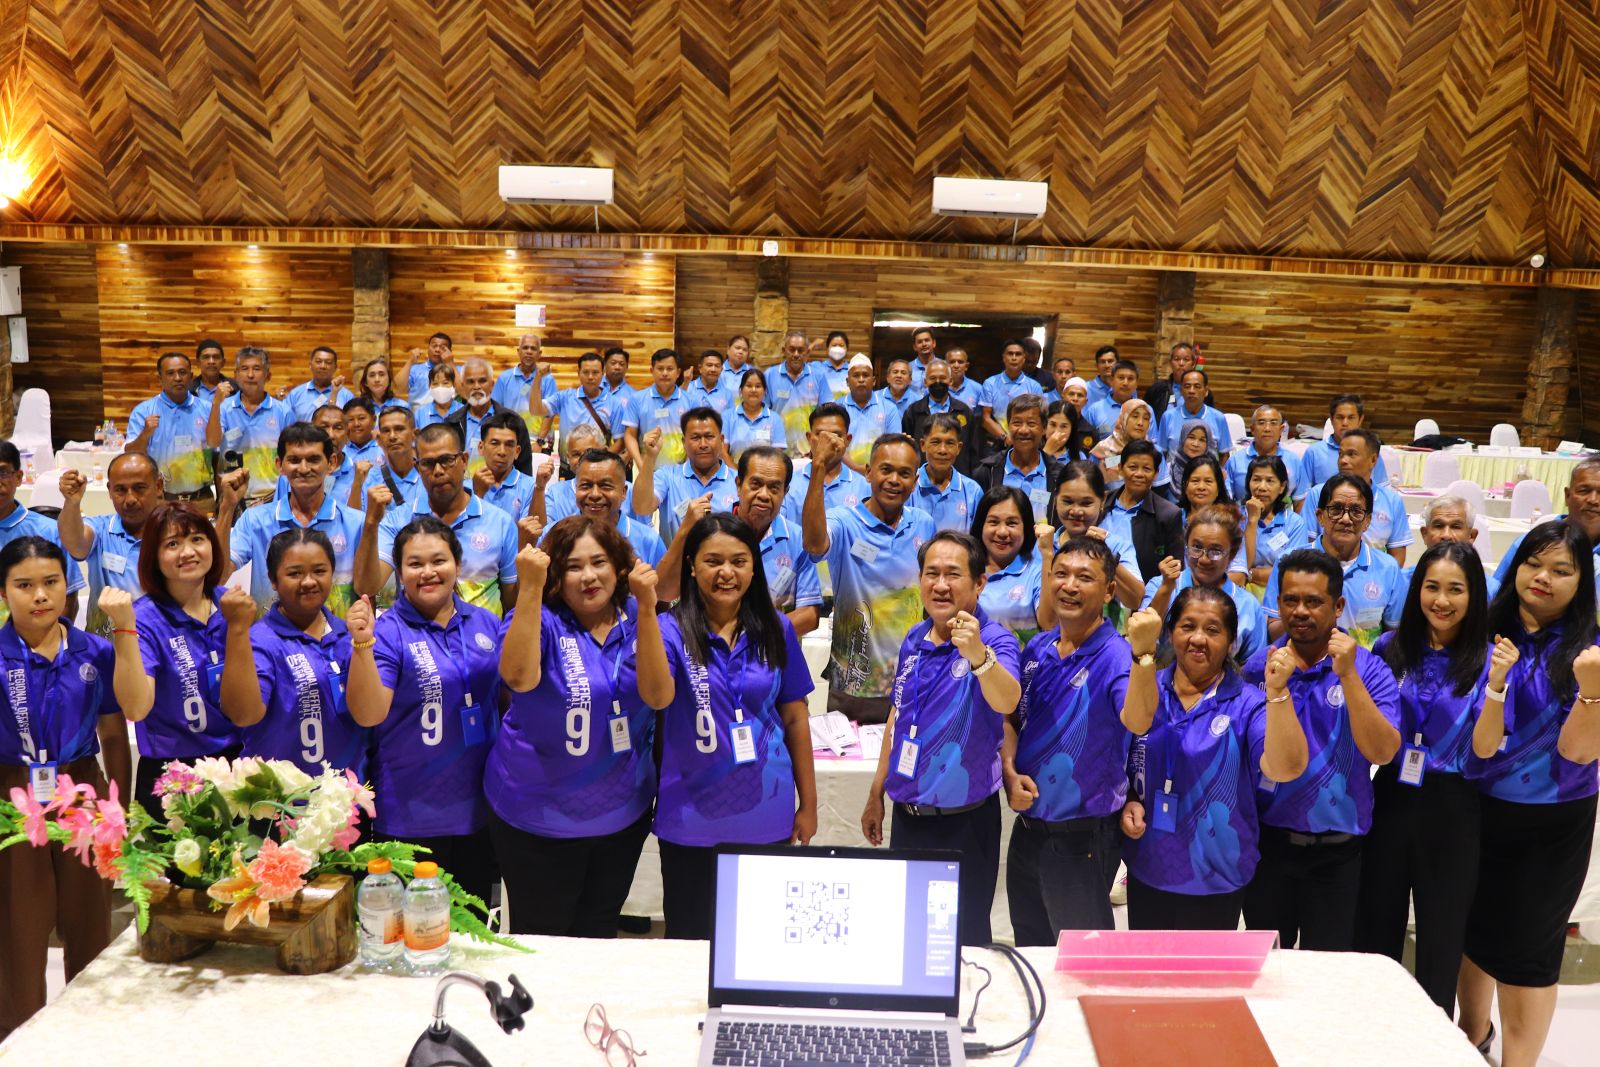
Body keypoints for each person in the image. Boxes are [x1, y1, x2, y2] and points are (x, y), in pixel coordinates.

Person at [1458, 520, 1600, 1067]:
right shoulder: (1483, 634)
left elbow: (1579, 754)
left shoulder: (1589, 651)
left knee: (1531, 952)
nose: (1543, 578)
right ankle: (1472, 1036)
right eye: (1532, 564)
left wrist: (1590, 694)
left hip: (1552, 822)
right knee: (1475, 931)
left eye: (1561, 570)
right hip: (1477, 809)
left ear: (1581, 579)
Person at [487, 519, 673, 937]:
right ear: (555, 573)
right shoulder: (538, 616)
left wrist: (648, 607)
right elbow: (517, 677)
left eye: (599, 562)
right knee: (543, 941)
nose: (589, 577)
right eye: (573, 566)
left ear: (620, 567)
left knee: (598, 937)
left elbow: (660, 697)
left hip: (620, 819)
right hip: (537, 820)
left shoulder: (636, 613)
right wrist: (530, 587)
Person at [654, 514, 817, 938]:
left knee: (760, 943)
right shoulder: (669, 631)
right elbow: (656, 698)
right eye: (713, 561)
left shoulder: (778, 629)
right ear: (692, 566)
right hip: (690, 819)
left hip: (768, 814)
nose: (726, 573)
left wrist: (809, 803)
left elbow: (796, 716)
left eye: (739, 561)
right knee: (689, 948)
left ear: (753, 567)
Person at [861, 531, 1022, 946]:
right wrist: (877, 790)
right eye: (931, 573)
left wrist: (978, 656)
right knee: (909, 937)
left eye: (953, 574)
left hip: (965, 823)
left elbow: (1007, 700)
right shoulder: (915, 638)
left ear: (979, 582)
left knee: (964, 945)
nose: (940, 584)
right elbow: (898, 716)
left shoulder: (996, 640)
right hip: (908, 818)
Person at [1355, 542, 1495, 1014]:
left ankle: (1430, 1041)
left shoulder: (1489, 659)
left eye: (1456, 589)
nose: (1442, 600)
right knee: (1375, 928)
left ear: (1474, 595)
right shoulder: (1390, 648)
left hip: (1453, 806)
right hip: (1392, 796)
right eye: (1432, 586)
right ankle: (1373, 1028)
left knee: (1441, 934)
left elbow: (1486, 744)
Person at [0, 536, 129, 1042]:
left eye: (51, 582)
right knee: (19, 925)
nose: (39, 596)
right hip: (12, 791)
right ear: (4, 591)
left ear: (67, 587)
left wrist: (119, 804)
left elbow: (115, 733)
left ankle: (89, 1036)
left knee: (90, 918)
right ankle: (19, 1038)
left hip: (82, 788)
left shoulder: (94, 650)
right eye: (24, 585)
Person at [1119, 589, 1309, 929]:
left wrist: (1279, 693)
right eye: (1187, 626)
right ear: (1170, 631)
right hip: (1149, 864)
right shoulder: (1148, 687)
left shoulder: (1247, 703)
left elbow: (1284, 768)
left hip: (1216, 873)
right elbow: (1125, 749)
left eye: (1212, 630)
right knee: (1150, 978)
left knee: (1205, 981)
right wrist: (1130, 798)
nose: (1198, 639)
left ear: (1232, 642)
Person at [1243, 549, 1402, 950]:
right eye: (1290, 600)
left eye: (1313, 601)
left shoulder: (1368, 669)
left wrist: (1347, 676)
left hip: (1338, 853)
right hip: (1269, 847)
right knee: (1269, 971)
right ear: (1277, 602)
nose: (1300, 611)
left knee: (1326, 980)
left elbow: (1383, 752)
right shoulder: (1259, 669)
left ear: (1338, 606)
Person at [346, 517, 504, 905]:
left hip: (481, 810)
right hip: (409, 812)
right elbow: (368, 714)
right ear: (399, 572)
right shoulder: (388, 631)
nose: (429, 572)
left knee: (477, 932)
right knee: (413, 934)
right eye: (415, 564)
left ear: (457, 564)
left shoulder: (484, 622)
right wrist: (362, 644)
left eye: (439, 560)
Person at [1004, 537, 1132, 940]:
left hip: (1082, 836)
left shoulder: (1117, 655)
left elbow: (1139, 720)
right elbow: (1009, 719)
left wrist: (1145, 657)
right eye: (1060, 574)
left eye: (1084, 577)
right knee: (1030, 943)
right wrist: (1008, 771)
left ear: (1110, 590)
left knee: (1084, 960)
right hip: (1027, 829)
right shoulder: (1038, 648)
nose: (1069, 585)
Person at [100, 503, 240, 816]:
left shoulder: (231, 606)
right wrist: (125, 628)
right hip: (171, 775)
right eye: (172, 544)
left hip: (235, 767)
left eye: (197, 539)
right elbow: (136, 708)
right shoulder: (145, 618)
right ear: (153, 557)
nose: (187, 552)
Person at [802, 432, 936, 724]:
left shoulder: (924, 524)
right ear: (868, 472)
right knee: (848, 769)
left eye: (904, 473)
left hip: (910, 682)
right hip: (852, 686)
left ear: (915, 480)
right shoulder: (844, 521)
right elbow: (814, 545)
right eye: (886, 470)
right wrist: (818, 468)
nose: (894, 480)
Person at [218, 529, 371, 777]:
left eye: (319, 571)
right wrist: (236, 629)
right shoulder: (260, 641)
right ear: (273, 580)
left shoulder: (349, 635)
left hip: (348, 799)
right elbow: (243, 715)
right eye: (295, 573)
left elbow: (370, 715)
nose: (309, 581)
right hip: (283, 803)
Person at [361, 423, 520, 617]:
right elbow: (368, 586)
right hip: (415, 639)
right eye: (428, 463)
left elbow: (511, 602)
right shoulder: (397, 521)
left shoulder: (501, 522)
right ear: (418, 468)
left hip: (481, 641)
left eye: (446, 460)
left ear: (464, 461)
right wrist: (370, 524)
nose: (437, 470)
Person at [218, 423, 364, 617]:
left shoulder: (356, 522)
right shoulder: (255, 521)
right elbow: (218, 576)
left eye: (313, 459)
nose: (303, 469)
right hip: (271, 641)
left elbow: (369, 589)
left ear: (331, 463)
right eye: (294, 460)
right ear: (280, 465)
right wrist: (227, 507)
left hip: (336, 641)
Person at [1264, 476, 1405, 648]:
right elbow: (1274, 631)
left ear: (1367, 521)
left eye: (1356, 511)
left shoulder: (1388, 568)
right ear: (1320, 516)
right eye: (1336, 509)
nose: (1346, 519)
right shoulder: (1289, 562)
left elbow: (1393, 637)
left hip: (1363, 671)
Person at [1143, 505, 1268, 664]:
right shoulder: (1160, 586)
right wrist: (1166, 589)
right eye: (1196, 547)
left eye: (1215, 551)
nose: (1203, 559)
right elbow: (1141, 642)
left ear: (1233, 554)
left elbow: (1254, 668)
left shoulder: (1248, 605)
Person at [58, 455, 163, 637]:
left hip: (162, 650)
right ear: (109, 490)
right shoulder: (100, 529)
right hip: (106, 652)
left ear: (159, 486)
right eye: (120, 490)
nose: (130, 499)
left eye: (139, 488)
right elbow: (76, 545)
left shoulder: (175, 534)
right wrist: (72, 503)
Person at [728, 446, 820, 636]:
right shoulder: (715, 533)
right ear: (738, 485)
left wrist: (756, 637)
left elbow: (810, 615)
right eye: (755, 484)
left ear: (785, 492)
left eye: (774, 488)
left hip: (775, 656)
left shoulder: (798, 540)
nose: (763, 494)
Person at [1491, 457, 1600, 605]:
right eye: (1584, 490)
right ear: (1567, 495)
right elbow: (1498, 596)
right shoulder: (1531, 542)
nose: (1593, 500)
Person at [0, 442, 83, 625]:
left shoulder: (49, 531)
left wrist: (50, 647)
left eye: (2, 473)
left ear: (19, 477)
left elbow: (68, 599)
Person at [1302, 429, 1411, 563]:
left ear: (1373, 460)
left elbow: (1397, 556)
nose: (1343, 460)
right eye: (1340, 454)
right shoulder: (1318, 494)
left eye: (1351, 454)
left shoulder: (1392, 501)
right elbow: (1307, 545)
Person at [1048, 460, 1146, 609]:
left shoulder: (1116, 546)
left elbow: (1135, 601)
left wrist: (1106, 555)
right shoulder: (1044, 544)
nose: (1076, 511)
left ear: (1102, 501)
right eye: (1067, 501)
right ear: (1055, 499)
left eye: (1086, 503)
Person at [633, 408, 740, 544]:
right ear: (684, 442)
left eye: (709, 437)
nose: (703, 444)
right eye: (695, 438)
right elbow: (642, 508)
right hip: (676, 564)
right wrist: (650, 457)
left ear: (721, 440)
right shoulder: (668, 476)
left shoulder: (738, 481)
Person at [543, 449, 665, 567]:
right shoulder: (553, 535)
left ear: (623, 492)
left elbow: (665, 587)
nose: (594, 494)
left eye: (605, 486)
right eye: (586, 486)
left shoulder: (649, 541)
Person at [126, 351, 215, 506]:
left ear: (191, 375)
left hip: (202, 499)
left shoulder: (207, 409)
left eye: (182, 372)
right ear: (159, 378)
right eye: (170, 373)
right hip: (160, 500)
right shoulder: (143, 411)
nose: (178, 378)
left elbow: (217, 453)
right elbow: (131, 455)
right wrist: (145, 434)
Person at [205, 346, 290, 503]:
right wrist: (215, 404)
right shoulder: (223, 408)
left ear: (268, 375)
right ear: (236, 375)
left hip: (272, 498)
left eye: (256, 369)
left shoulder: (283, 411)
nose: (250, 375)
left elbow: (291, 454)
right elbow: (212, 442)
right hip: (233, 497)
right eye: (244, 369)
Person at [1099, 440, 1184, 583]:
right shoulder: (1102, 503)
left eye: (1146, 469)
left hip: (1144, 596)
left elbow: (1176, 568)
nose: (1139, 474)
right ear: (1120, 468)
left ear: (1156, 473)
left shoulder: (1169, 514)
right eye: (1132, 467)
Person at [971, 486, 1047, 641]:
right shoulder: (966, 568)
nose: (1002, 532)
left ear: (1026, 528)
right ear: (981, 526)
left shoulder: (1038, 571)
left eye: (1012, 523)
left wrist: (1049, 556)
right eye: (993, 522)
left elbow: (1049, 624)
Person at [778, 404, 869, 524]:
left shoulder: (864, 487)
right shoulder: (788, 484)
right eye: (821, 435)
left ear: (847, 440)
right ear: (809, 438)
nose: (829, 441)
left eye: (836, 435)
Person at [972, 394, 1059, 519]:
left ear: (1044, 428)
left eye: (1031, 423)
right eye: (1017, 423)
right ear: (1008, 426)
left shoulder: (1058, 474)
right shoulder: (986, 472)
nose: (1023, 430)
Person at [449, 358, 534, 478]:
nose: (476, 386)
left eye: (482, 381)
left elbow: (524, 469)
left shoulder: (514, 422)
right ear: (463, 386)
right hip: (463, 493)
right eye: (470, 382)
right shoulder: (451, 423)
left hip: (503, 493)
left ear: (492, 385)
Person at [1238, 455, 1308, 592]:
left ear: (1282, 487)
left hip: (1280, 594)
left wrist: (1250, 574)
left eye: (1270, 481)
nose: (1262, 487)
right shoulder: (1236, 518)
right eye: (1256, 480)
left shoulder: (1295, 523)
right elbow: (1240, 564)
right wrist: (1252, 521)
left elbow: (1291, 572)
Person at [1408, 494, 1499, 599]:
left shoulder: (1491, 590)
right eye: (1439, 526)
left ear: (1471, 536)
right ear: (1425, 534)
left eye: (1456, 527)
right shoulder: (1403, 582)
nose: (1446, 535)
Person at [902, 359, 980, 477]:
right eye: (933, 378)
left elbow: (973, 449)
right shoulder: (913, 411)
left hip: (959, 477)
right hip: (920, 478)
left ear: (950, 380)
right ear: (925, 381)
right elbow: (908, 448)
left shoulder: (964, 411)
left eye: (942, 378)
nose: (938, 382)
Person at [911, 414, 984, 533]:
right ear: (923, 445)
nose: (942, 450)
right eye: (936, 442)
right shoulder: (909, 485)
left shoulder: (973, 491)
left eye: (950, 443)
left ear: (958, 448)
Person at [1301, 394, 1391, 487]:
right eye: (1340, 417)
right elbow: (1303, 494)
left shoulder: (1368, 451)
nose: (1345, 423)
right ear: (1331, 420)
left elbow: (1382, 489)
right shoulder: (1314, 452)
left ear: (1360, 420)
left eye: (1351, 417)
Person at [623, 348, 690, 469]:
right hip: (646, 467)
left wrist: (688, 465)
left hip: (681, 469)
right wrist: (640, 464)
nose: (665, 373)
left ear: (678, 372)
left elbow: (693, 435)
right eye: (660, 368)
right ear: (651, 371)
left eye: (670, 369)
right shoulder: (636, 399)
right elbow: (630, 435)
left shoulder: (691, 400)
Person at [1225, 405, 1305, 507]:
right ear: (1252, 429)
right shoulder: (1235, 461)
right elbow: (1226, 500)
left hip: (1283, 520)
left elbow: (1300, 501)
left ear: (1281, 429)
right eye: (1261, 423)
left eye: (1273, 423)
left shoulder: (1293, 461)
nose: (1267, 429)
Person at [550, 351, 625, 456]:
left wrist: (602, 459)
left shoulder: (614, 403)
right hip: (567, 467)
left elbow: (620, 441)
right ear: (578, 373)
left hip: (598, 468)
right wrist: (538, 379)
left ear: (603, 373)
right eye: (585, 372)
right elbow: (536, 410)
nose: (590, 377)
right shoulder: (564, 397)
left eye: (595, 372)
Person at [765, 330, 825, 452]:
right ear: (783, 351)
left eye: (801, 350)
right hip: (776, 450)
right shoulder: (769, 375)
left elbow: (825, 414)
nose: (796, 354)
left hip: (809, 452)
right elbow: (763, 413)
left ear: (807, 352)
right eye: (791, 350)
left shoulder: (819, 376)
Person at [841, 355, 902, 473]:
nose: (861, 379)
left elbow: (894, 447)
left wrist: (874, 470)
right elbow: (834, 446)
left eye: (865, 375)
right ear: (848, 382)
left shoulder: (889, 408)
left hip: (879, 474)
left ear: (873, 381)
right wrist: (857, 469)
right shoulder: (837, 408)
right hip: (843, 474)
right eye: (856, 375)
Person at [979, 339, 1045, 447]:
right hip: (997, 442)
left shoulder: (1034, 386)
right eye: (1010, 354)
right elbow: (986, 418)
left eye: (1018, 354)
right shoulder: (990, 383)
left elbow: (1039, 417)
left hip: (1026, 441)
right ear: (1004, 357)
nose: (1014, 358)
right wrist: (1005, 437)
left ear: (1024, 358)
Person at [491, 333, 558, 440]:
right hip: (511, 440)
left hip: (539, 442)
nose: (529, 352)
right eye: (525, 347)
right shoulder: (504, 378)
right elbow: (495, 410)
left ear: (539, 353)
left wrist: (539, 441)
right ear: (518, 351)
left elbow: (550, 412)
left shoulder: (547, 379)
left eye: (533, 348)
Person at [472, 411, 536, 520]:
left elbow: (531, 533)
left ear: (517, 451)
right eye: (495, 443)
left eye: (509, 445)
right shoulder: (465, 488)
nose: (502, 452)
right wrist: (478, 495)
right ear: (481, 447)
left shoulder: (532, 488)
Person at [1156, 368, 1231, 459]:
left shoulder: (1218, 418)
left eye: (1197, 386)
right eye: (1187, 386)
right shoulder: (1168, 416)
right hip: (1175, 472)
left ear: (1206, 391)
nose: (1191, 391)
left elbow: (1224, 454)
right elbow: (1161, 452)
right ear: (1181, 390)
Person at [724, 368, 787, 461]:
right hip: (733, 472)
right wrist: (736, 472)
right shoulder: (727, 416)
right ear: (741, 390)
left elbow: (777, 456)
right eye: (748, 386)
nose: (753, 390)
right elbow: (722, 452)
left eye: (758, 386)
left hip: (766, 473)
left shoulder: (775, 419)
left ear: (765, 391)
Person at [285, 346, 354, 423]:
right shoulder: (295, 394)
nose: (323, 366)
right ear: (310, 365)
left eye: (328, 362)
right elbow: (285, 420)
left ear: (335, 367)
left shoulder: (346, 395)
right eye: (318, 361)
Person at [1143, 342, 1213, 416]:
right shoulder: (1157, 389)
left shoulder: (1202, 392)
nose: (1181, 363)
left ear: (1193, 364)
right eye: (1176, 359)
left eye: (1186, 359)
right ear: (1170, 363)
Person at [373, 405, 424, 508]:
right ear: (379, 438)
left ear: (415, 434)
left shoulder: (431, 476)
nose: (392, 436)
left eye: (399, 429)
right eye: (386, 431)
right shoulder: (369, 480)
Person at [1082, 359, 1141, 440]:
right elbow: (1085, 444)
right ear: (1112, 381)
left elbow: (1153, 444)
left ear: (1136, 384)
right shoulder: (1095, 410)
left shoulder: (1146, 410)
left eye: (1130, 379)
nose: (1125, 383)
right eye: (1121, 378)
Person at [406, 332, 458, 407]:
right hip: (418, 416)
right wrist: (409, 361)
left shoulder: (458, 371)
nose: (437, 350)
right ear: (428, 348)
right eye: (434, 346)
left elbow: (463, 392)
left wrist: (450, 363)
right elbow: (398, 389)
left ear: (450, 351)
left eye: (442, 347)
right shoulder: (415, 370)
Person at [416, 361, 463, 429]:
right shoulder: (420, 413)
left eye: (445, 383)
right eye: (435, 384)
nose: (440, 388)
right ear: (429, 386)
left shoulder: (463, 411)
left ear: (454, 385)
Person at [189, 338, 234, 408]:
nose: (211, 361)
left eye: (216, 357)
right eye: (206, 357)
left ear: (223, 362)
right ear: (198, 363)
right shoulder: (188, 390)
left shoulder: (236, 388)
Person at [812, 330, 852, 400]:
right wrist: (811, 346)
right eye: (834, 345)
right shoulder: (817, 368)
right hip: (823, 410)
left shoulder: (852, 370)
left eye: (841, 345)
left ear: (847, 348)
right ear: (827, 349)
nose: (837, 348)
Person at [907, 326, 939, 391]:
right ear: (914, 347)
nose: (924, 344)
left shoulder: (944, 366)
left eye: (927, 340)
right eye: (919, 342)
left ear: (934, 343)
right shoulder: (907, 368)